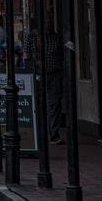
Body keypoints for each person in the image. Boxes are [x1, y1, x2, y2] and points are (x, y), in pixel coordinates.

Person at [25, 16, 64, 144]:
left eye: (50, 22)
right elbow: (27, 56)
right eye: (46, 22)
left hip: (54, 74)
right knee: (38, 104)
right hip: (37, 75)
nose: (49, 25)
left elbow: (62, 55)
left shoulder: (56, 37)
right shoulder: (32, 37)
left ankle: (54, 133)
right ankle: (39, 133)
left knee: (54, 104)